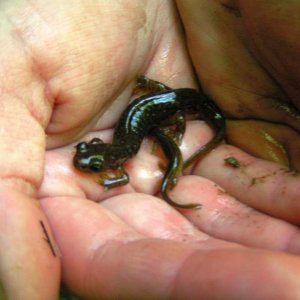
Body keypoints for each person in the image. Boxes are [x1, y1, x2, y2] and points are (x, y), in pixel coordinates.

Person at [0, 0, 300, 299]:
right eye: (90, 162)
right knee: (166, 112)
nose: (86, 162)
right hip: (157, 104)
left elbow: (118, 176)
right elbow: (104, 159)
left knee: (177, 110)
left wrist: (108, 178)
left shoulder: (120, 158)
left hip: (169, 102)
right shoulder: (119, 153)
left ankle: (194, 123)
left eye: (91, 165)